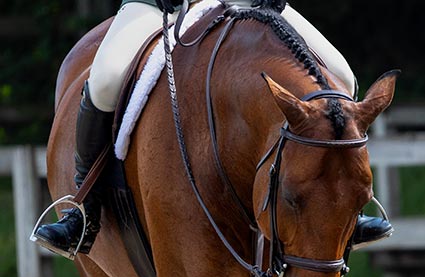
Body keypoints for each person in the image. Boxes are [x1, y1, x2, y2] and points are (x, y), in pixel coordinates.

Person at [34, 0, 393, 259]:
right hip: (162, 7)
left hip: (251, 4)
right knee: (106, 81)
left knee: (342, 78)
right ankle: (82, 209)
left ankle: (349, 206)